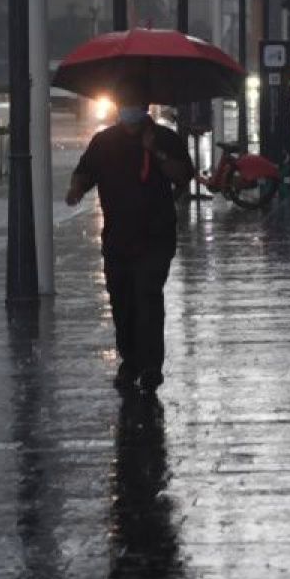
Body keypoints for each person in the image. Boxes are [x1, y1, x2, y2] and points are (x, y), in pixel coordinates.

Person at [65, 98, 194, 393]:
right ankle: (130, 361)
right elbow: (85, 171)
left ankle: (151, 366)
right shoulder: (104, 142)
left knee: (147, 296)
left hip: (155, 236)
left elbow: (183, 175)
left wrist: (155, 153)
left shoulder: (164, 138)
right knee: (122, 302)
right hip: (118, 239)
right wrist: (76, 189)